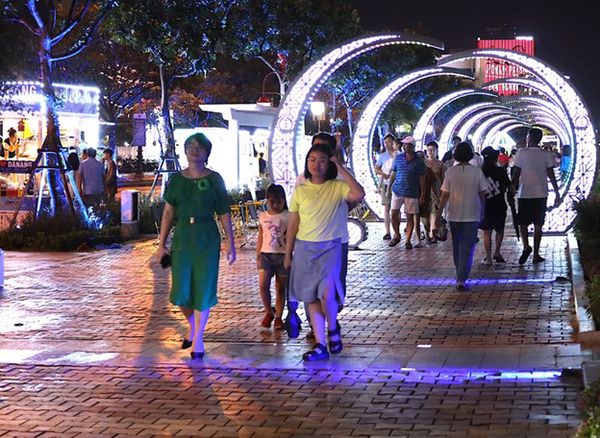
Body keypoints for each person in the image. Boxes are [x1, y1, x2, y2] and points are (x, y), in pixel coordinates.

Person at [156, 133, 235, 360]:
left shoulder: (215, 180)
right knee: (181, 292)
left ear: (207, 152)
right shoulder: (176, 180)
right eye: (190, 145)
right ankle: (193, 326)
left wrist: (230, 242)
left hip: (206, 239)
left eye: (199, 146)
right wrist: (162, 244)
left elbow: (223, 214)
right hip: (183, 238)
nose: (194, 149)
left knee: (202, 288)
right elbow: (168, 213)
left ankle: (198, 339)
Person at [285, 141, 365, 361]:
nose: (316, 165)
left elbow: (358, 194)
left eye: (321, 160)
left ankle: (332, 329)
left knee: (327, 294)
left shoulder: (337, 187)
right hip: (304, 248)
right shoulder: (300, 189)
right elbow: (293, 221)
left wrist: (339, 167)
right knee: (310, 297)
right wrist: (288, 252)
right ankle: (320, 343)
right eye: (312, 160)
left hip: (330, 247)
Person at [436, 142, 488, 291]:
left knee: (457, 246)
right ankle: (462, 277)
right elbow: (483, 193)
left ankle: (460, 273)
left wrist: (439, 213)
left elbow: (444, 194)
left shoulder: (451, 172)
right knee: (467, 246)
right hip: (472, 214)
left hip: (454, 213)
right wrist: (482, 210)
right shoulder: (477, 172)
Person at [512, 128, 560, 264]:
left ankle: (526, 246)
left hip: (524, 193)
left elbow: (516, 173)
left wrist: (511, 188)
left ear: (529, 138)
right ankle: (536, 254)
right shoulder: (546, 154)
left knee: (522, 223)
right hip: (541, 193)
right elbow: (551, 175)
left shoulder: (521, 153)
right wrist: (557, 193)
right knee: (538, 224)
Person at [257, 184, 288, 330]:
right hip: (266, 254)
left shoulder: (288, 216)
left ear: (283, 200)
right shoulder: (263, 216)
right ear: (267, 201)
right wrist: (258, 254)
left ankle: (279, 317)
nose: (275, 205)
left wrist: (290, 254)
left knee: (280, 287)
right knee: (263, 285)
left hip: (282, 255)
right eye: (272, 202)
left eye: (278, 202)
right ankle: (269, 311)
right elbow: (261, 236)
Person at [387, 140, 426, 249]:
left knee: (410, 216)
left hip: (412, 192)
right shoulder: (398, 158)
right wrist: (389, 188)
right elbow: (393, 173)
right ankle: (397, 234)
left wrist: (422, 193)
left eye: (407, 145)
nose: (404, 146)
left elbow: (422, 179)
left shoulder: (419, 161)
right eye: (404, 144)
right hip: (398, 190)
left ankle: (408, 240)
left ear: (412, 146)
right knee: (393, 213)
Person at [479, 146, 512, 265]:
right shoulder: (500, 171)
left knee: (487, 232)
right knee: (499, 229)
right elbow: (509, 186)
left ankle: (488, 258)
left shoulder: (480, 172)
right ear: (494, 159)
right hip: (499, 205)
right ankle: (497, 251)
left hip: (485, 207)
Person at [423, 141, 444, 243]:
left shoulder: (440, 164)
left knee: (433, 213)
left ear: (436, 151)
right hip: (425, 192)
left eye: (433, 150)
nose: (430, 152)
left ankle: (432, 234)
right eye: (429, 150)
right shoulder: (423, 163)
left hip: (435, 193)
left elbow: (443, 180)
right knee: (425, 218)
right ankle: (427, 233)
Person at [374, 134, 394, 239]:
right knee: (387, 207)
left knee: (395, 209)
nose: (387, 144)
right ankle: (387, 232)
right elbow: (376, 168)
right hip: (386, 185)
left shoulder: (398, 155)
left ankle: (396, 231)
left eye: (389, 142)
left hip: (397, 185)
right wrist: (383, 174)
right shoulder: (382, 156)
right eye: (385, 142)